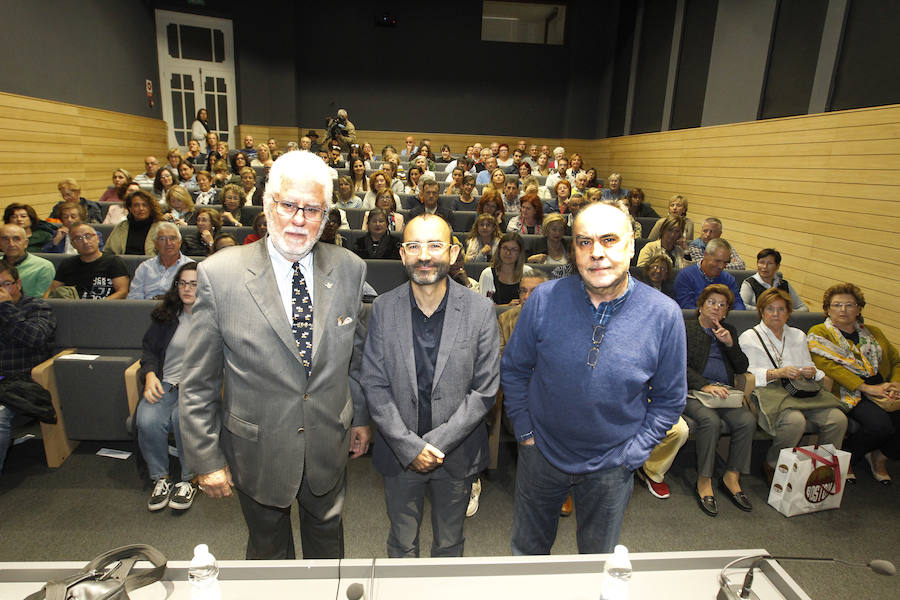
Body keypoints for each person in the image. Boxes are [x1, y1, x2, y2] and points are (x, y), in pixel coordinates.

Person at [179, 150, 371, 560]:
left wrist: (362, 419)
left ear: (326, 215)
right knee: (268, 557)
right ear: (268, 206)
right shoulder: (219, 274)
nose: (299, 220)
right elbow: (198, 381)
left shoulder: (351, 268)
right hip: (258, 450)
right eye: (288, 205)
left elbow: (355, 358)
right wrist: (206, 458)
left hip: (327, 444)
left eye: (313, 209)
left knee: (328, 553)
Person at [501, 201, 686, 555]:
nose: (596, 253)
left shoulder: (664, 315)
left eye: (610, 239)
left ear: (632, 245)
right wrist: (524, 431)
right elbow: (514, 368)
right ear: (574, 250)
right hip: (541, 454)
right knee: (527, 552)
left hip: (612, 465)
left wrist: (634, 454)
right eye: (585, 242)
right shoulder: (543, 299)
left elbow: (670, 399)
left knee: (596, 560)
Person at [362, 214, 500, 557]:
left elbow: (484, 390)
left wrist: (436, 445)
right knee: (402, 541)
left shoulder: (481, 310)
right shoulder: (382, 308)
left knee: (450, 543)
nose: (424, 255)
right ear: (403, 254)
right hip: (399, 452)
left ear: (453, 254)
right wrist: (410, 447)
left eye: (435, 245)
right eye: (414, 246)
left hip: (456, 453)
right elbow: (374, 384)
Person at [738, 288, 847, 485]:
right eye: (770, 309)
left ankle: (819, 468)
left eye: (781, 309)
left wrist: (812, 372)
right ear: (761, 311)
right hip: (769, 392)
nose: (776, 314)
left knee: (837, 419)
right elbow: (747, 374)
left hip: (801, 392)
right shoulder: (750, 337)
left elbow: (809, 364)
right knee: (795, 421)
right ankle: (772, 463)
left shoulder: (797, 335)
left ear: (789, 312)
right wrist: (776, 373)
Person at [808, 283, 900, 484]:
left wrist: (895, 384)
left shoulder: (873, 332)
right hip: (849, 392)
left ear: (859, 309)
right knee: (880, 426)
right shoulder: (820, 333)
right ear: (827, 309)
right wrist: (867, 388)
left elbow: (895, 360)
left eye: (849, 305)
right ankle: (848, 456)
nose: (843, 310)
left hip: (884, 388)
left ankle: (880, 457)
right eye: (837, 305)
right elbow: (829, 366)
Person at [684, 284, 756, 516]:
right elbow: (677, 365)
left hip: (724, 394)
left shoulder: (729, 331)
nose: (716, 308)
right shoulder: (686, 329)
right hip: (693, 392)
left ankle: (731, 476)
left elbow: (742, 367)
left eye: (722, 305)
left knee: (746, 420)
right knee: (710, 421)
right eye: (711, 303)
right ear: (701, 306)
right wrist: (704, 384)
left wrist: (729, 345)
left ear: (726, 312)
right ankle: (704, 480)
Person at [136, 261, 200, 511]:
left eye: (194, 284)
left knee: (180, 419)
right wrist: (150, 375)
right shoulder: (166, 317)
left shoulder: (215, 318)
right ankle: (160, 478)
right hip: (166, 382)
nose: (187, 288)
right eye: (182, 283)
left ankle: (188, 479)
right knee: (147, 420)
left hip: (197, 386)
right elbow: (149, 351)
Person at [0, 262, 56, 475]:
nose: (3, 290)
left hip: (19, 383)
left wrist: (6, 308)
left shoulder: (36, 307)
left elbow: (35, 338)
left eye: (7, 283)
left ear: (19, 283)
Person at [46, 223, 129, 299]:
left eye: (88, 236)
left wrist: (96, 307)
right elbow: (51, 291)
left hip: (105, 309)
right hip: (72, 309)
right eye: (78, 239)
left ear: (97, 238)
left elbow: (122, 292)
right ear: (73, 245)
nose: (85, 242)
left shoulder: (114, 261)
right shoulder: (67, 264)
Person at [674, 238, 746, 310]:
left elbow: (739, 305)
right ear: (705, 255)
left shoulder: (728, 279)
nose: (721, 266)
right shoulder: (685, 277)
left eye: (725, 262)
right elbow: (687, 308)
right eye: (717, 261)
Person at [127, 223, 193, 300]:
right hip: (147, 308)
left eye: (172, 238)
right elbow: (134, 298)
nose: (168, 243)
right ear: (156, 244)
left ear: (180, 242)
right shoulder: (144, 267)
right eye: (162, 239)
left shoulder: (191, 267)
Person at [740, 248, 808, 311]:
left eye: (770, 263)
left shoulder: (784, 284)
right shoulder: (749, 283)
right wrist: (766, 311)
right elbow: (742, 306)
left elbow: (804, 308)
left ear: (777, 266)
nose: (764, 267)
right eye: (761, 262)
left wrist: (786, 312)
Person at [0, 224, 54, 298]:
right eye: (5, 239)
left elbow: (40, 301)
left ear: (26, 243)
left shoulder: (44, 267)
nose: (11, 244)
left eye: (16, 239)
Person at [104, 190, 163, 256]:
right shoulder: (121, 227)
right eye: (136, 205)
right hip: (123, 264)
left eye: (144, 205)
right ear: (130, 208)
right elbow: (108, 252)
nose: (141, 208)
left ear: (150, 207)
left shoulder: (161, 228)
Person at [478, 232, 524, 306]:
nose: (508, 253)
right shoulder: (487, 274)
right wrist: (507, 307)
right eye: (505, 248)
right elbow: (483, 307)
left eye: (513, 250)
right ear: (499, 250)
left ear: (519, 253)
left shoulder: (527, 272)